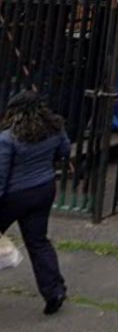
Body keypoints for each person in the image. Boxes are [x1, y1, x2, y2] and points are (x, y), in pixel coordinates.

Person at [0, 90, 69, 314]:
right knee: (38, 242)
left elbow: (1, 176)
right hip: (43, 189)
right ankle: (54, 291)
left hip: (13, 196)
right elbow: (64, 151)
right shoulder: (55, 130)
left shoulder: (8, 139)